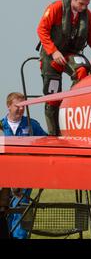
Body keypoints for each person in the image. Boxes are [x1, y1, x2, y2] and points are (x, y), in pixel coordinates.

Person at [37, 0, 91, 135]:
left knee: (82, 69)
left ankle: (70, 106)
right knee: (52, 96)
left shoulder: (86, 15)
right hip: (51, 55)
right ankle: (54, 134)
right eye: (81, 3)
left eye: (87, 4)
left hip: (70, 54)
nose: (83, 7)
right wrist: (53, 51)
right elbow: (41, 30)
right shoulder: (56, 8)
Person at [1, 92, 47, 239]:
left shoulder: (31, 125)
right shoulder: (0, 126)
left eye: (24, 106)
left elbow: (46, 142)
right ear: (8, 106)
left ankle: (20, 237)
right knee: (4, 208)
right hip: (4, 176)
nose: (21, 109)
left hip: (25, 176)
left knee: (22, 207)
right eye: (18, 106)